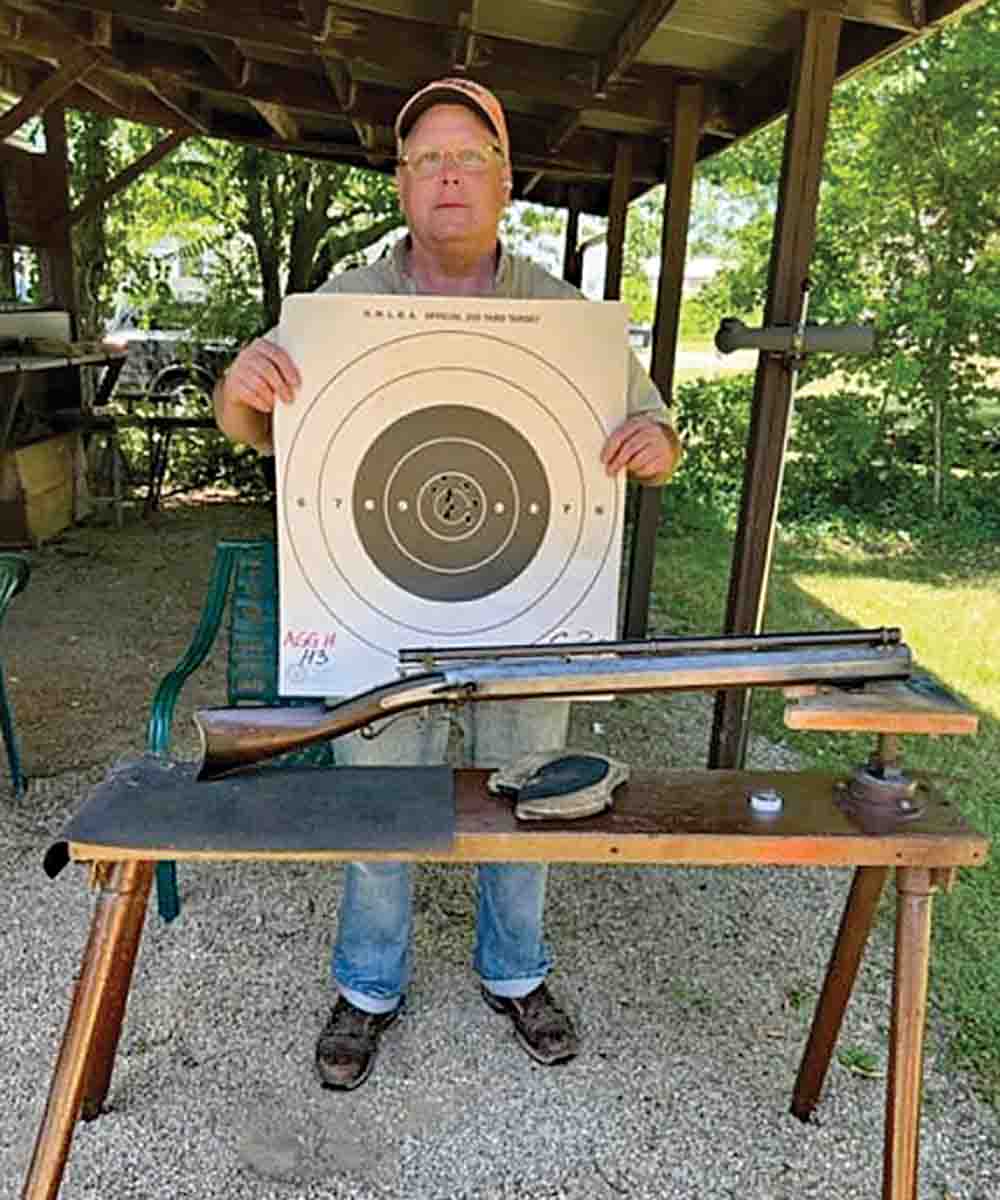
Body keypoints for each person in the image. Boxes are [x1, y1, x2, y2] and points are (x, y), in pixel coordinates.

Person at [214, 77, 683, 1091]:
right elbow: (257, 428)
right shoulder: (339, 307)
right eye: (428, 159)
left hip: (529, 604)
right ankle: (368, 986)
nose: (449, 175)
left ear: (506, 180)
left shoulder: (572, 321)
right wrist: (240, 390)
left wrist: (657, 442)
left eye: (470, 155)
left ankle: (515, 973)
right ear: (401, 184)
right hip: (377, 610)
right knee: (381, 808)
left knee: (531, 802)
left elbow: (656, 434)